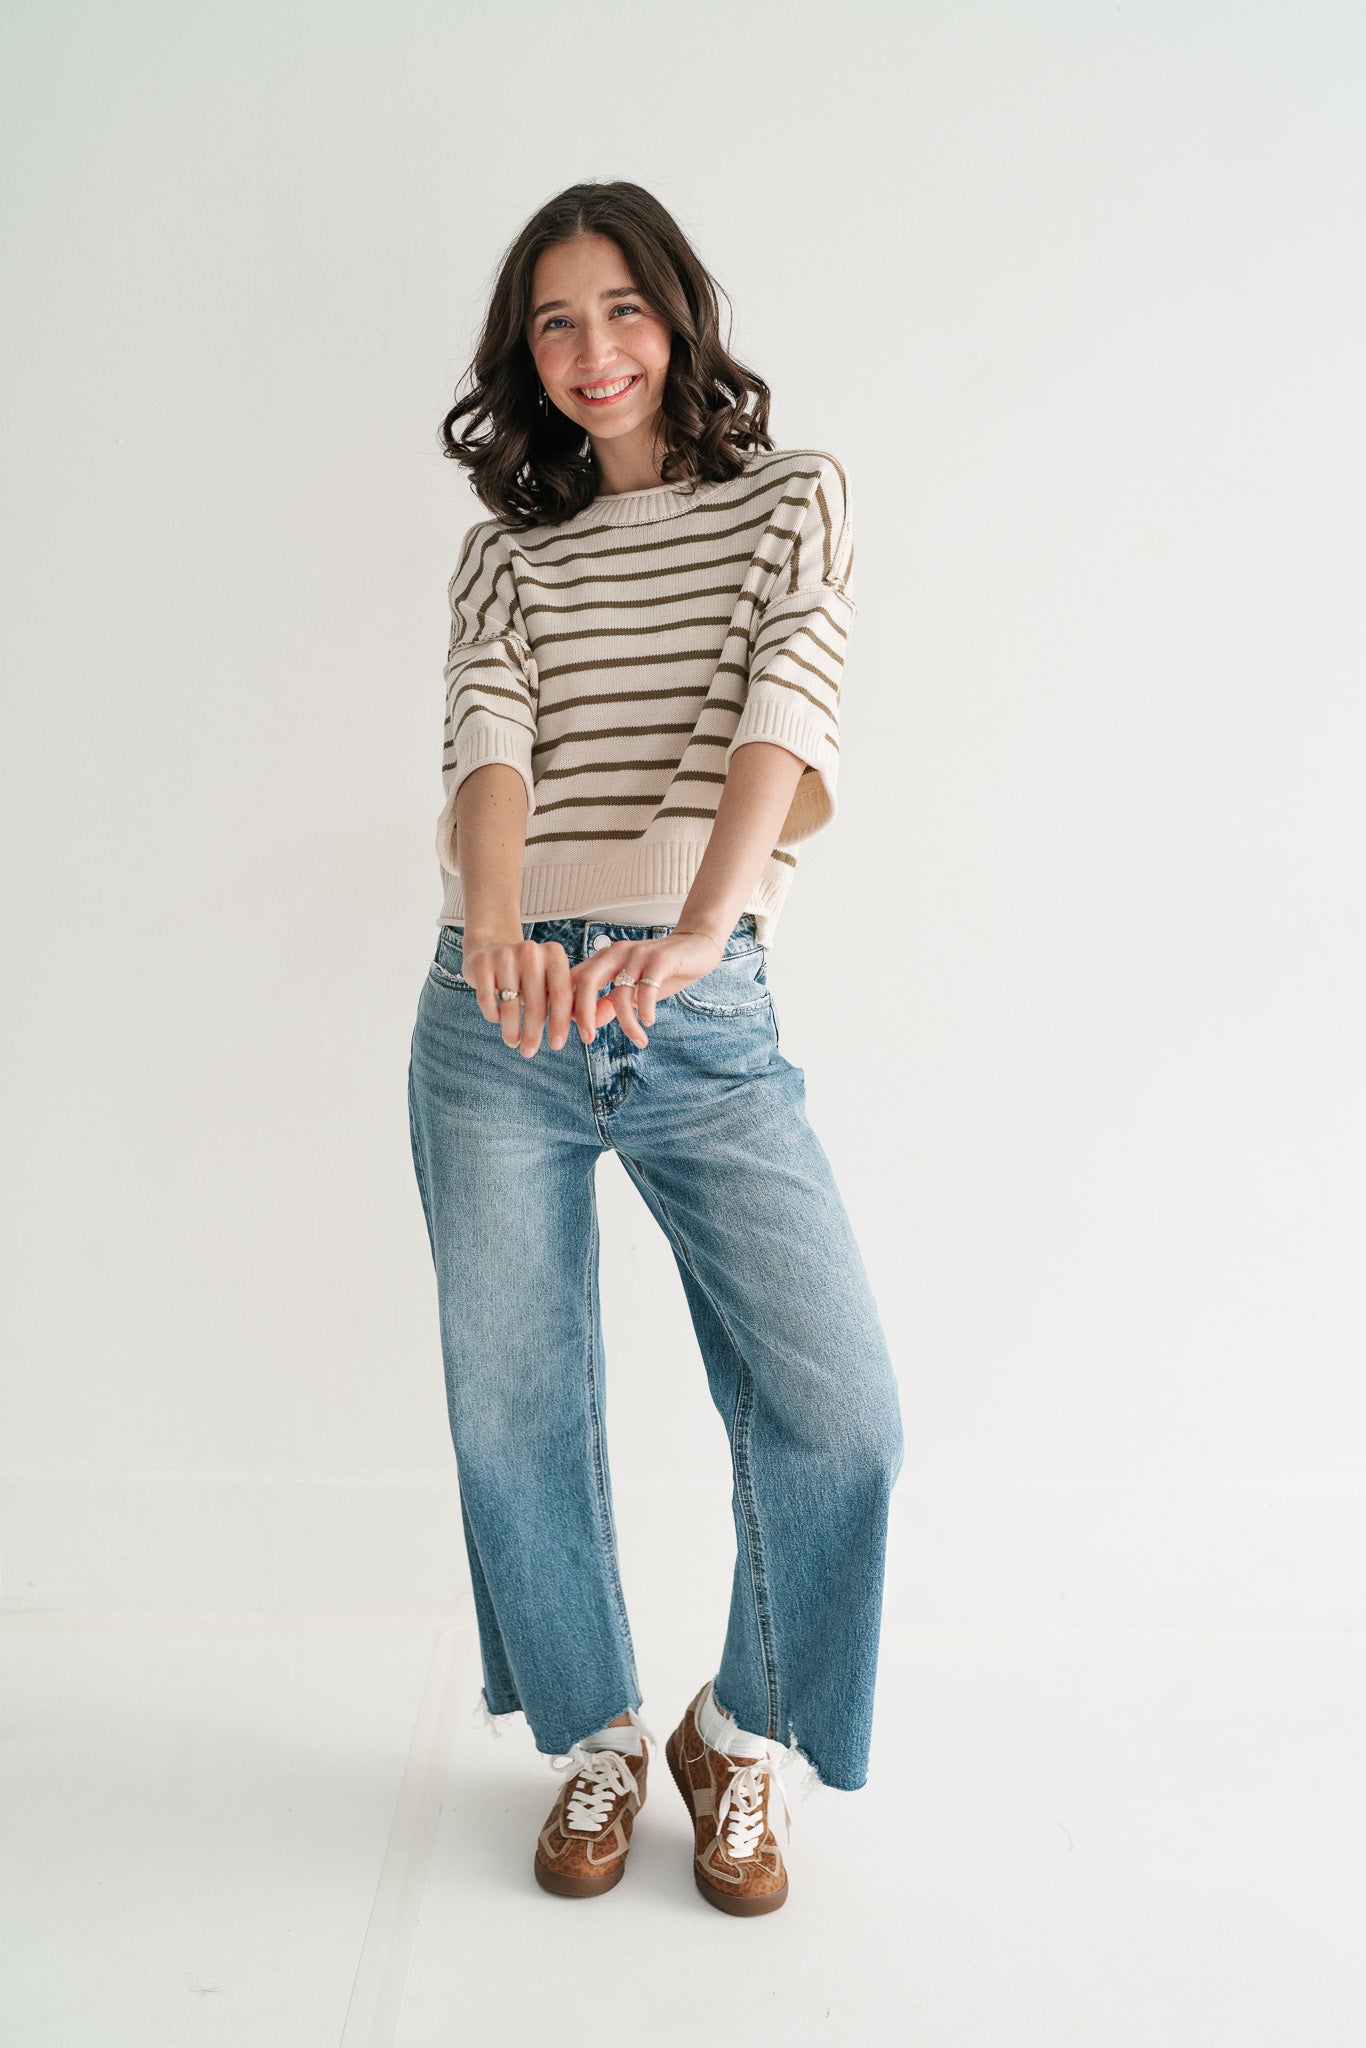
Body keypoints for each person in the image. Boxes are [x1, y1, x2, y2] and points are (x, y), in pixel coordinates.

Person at [407, 180, 905, 1917]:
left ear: (679, 315)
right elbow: (488, 740)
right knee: (513, 1418)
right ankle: (597, 1739)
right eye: (554, 321)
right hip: (496, 1020)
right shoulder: (507, 554)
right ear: (524, 356)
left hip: (700, 1007)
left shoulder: (790, 499)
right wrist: (490, 937)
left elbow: (788, 700)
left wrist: (702, 923)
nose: (592, 349)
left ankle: (734, 1729)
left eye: (621, 307)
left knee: (839, 1411)